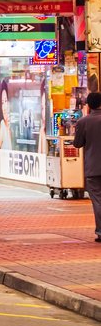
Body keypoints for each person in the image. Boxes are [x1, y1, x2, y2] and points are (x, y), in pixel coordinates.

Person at [71, 91, 101, 242]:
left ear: (88, 105)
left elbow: (77, 143)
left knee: (97, 200)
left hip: (93, 168)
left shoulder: (83, 122)